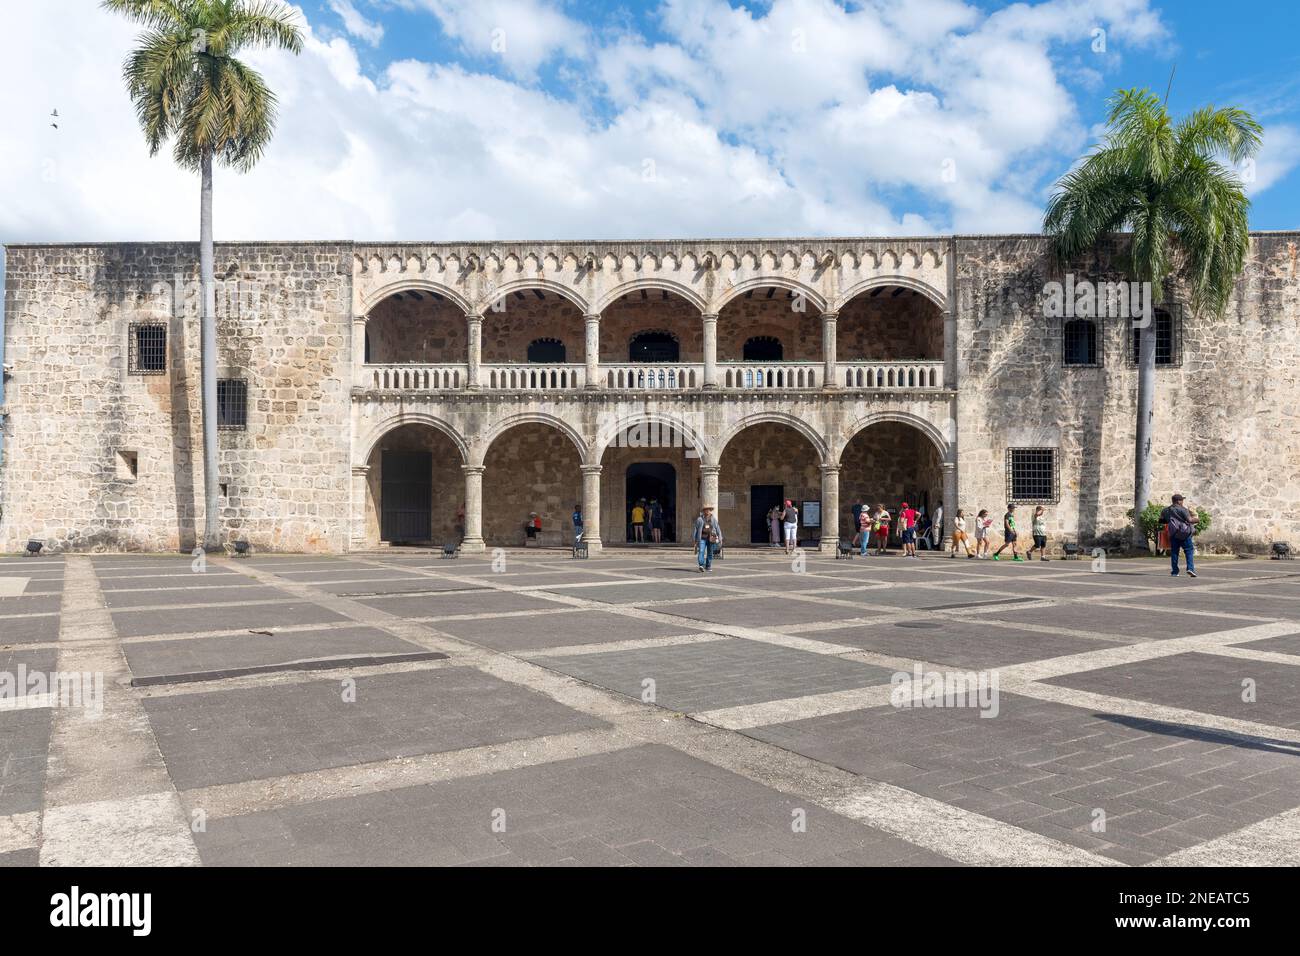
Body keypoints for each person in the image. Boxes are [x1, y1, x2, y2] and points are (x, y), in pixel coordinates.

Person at [1160, 494, 1198, 578]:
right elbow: (1190, 520)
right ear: (1178, 501)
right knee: (1189, 550)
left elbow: (1161, 521)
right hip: (1184, 534)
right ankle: (1190, 568)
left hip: (1173, 534)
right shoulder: (1183, 510)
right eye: (1182, 500)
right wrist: (1197, 519)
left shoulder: (1166, 510)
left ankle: (1174, 572)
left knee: (1174, 552)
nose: (1183, 502)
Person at [693, 505, 722, 572]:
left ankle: (708, 566)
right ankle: (701, 565)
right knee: (701, 551)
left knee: (710, 552)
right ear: (704, 511)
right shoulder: (699, 519)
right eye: (706, 510)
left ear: (710, 511)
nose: (707, 511)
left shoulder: (713, 519)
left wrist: (720, 537)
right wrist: (694, 539)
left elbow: (718, 528)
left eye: (709, 510)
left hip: (711, 538)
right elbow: (695, 529)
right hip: (702, 538)